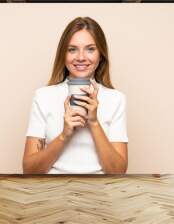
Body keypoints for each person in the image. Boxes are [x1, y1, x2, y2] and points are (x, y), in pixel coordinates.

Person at [23, 17, 128, 174]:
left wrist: (93, 122)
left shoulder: (116, 99)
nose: (80, 57)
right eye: (72, 49)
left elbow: (118, 172)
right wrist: (64, 135)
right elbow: (29, 170)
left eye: (90, 49)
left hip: (100, 193)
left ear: (101, 55)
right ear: (63, 55)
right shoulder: (43, 96)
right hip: (52, 191)